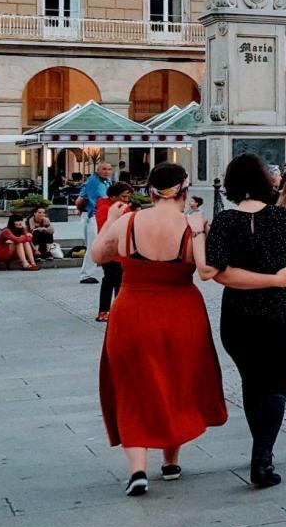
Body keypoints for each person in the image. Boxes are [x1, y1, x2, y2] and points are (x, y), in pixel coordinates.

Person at [90, 162, 227, 497]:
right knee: (176, 382)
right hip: (181, 311)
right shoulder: (190, 224)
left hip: (132, 311)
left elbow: (98, 255)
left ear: (150, 191)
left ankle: (137, 469)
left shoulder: (129, 220)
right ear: (185, 190)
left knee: (133, 386)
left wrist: (110, 222)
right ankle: (170, 462)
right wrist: (197, 231)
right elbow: (204, 268)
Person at [204, 154, 286, 488]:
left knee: (253, 382)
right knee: (277, 384)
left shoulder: (223, 221)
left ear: (232, 185)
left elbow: (219, 274)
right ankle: (262, 456)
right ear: (267, 181)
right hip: (280, 312)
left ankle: (260, 448)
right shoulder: (282, 217)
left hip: (239, 316)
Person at [96, 182, 134, 321]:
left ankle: (115, 310)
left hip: (121, 249)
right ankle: (106, 311)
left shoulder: (121, 207)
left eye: (128, 196)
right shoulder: (105, 209)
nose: (126, 199)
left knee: (118, 281)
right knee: (112, 280)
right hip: (111, 250)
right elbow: (105, 229)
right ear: (113, 196)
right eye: (124, 196)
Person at [78, 161, 114, 284]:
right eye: (104, 169)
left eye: (109, 169)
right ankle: (86, 274)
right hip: (92, 215)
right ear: (98, 170)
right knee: (93, 245)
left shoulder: (106, 181)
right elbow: (85, 200)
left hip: (99, 215)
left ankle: (92, 271)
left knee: (98, 244)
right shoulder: (94, 182)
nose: (107, 171)